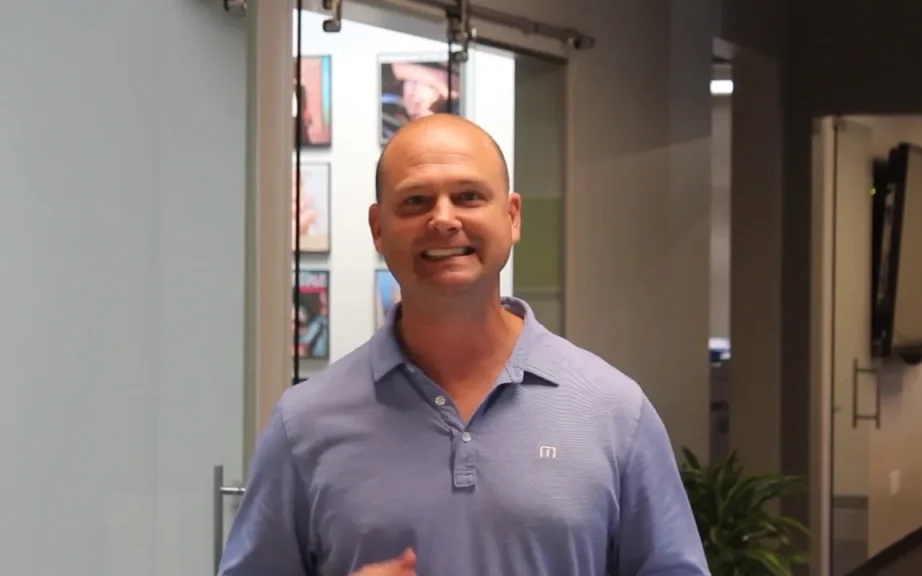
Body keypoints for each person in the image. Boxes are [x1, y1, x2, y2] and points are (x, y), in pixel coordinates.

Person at [218, 114, 710, 576]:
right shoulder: (304, 423)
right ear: (378, 228)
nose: (444, 219)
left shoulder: (614, 411)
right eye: (415, 201)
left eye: (470, 197)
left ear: (513, 217)